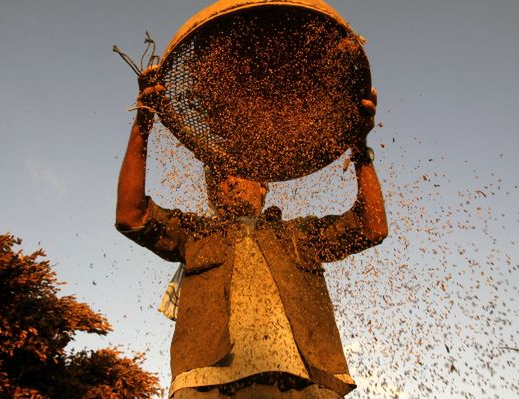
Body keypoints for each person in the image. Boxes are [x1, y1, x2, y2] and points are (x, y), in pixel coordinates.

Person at [115, 66, 388, 398]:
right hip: (206, 383)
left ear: (263, 185)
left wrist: (358, 147)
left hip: (306, 382)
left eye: (237, 173)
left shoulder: (298, 235)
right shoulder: (196, 234)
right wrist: (144, 121)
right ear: (211, 195)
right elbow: (131, 215)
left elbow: (371, 227)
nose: (227, 181)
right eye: (216, 178)